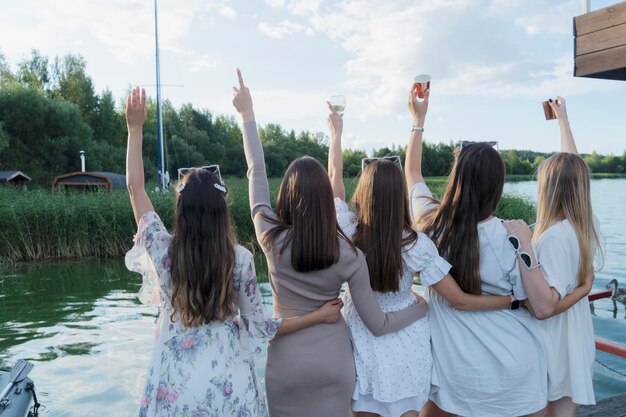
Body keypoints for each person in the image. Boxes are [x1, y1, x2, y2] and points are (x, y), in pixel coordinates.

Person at [123, 86, 344, 417]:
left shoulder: (162, 249)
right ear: (221, 211)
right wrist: (318, 316)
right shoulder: (239, 260)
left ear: (181, 211)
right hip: (229, 386)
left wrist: (134, 128)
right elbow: (260, 327)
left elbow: (134, 186)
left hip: (175, 384)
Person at [232, 69, 428, 417]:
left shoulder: (269, 235)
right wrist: (419, 306)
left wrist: (248, 116)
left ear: (285, 196)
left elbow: (256, 171)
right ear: (325, 201)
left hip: (286, 362)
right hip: (334, 363)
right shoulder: (348, 252)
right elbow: (378, 325)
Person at [326, 103, 520, 417]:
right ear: (399, 198)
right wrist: (509, 300)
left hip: (361, 335)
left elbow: (335, 180)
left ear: (362, 193)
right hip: (408, 335)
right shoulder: (417, 245)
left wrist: (336, 135)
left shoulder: (348, 233)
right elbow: (460, 299)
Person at [406, 85, 548, 417]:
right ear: (497, 187)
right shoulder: (514, 235)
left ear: (456, 179)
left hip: (457, 375)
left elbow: (412, 173)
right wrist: (526, 248)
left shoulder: (430, 226)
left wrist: (418, 120)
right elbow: (540, 306)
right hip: (516, 371)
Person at [503, 96, 603, 417]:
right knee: (563, 407)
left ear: (549, 189)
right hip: (572, 336)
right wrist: (563, 121)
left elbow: (546, 305)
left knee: (550, 408)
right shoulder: (584, 225)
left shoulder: (555, 239)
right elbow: (574, 168)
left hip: (553, 341)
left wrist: (581, 291)